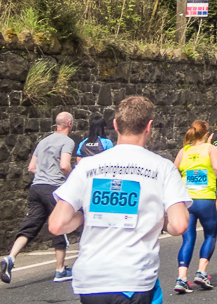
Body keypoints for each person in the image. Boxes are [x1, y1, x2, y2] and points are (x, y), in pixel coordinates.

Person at [48, 96, 191, 304]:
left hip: (91, 281)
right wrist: (156, 216)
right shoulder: (162, 167)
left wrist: (84, 216)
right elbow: (179, 226)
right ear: (149, 127)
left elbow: (57, 224)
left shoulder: (87, 166)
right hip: (133, 279)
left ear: (115, 125)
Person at [0, 111, 76, 285]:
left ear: (56, 124)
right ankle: (60, 270)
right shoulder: (67, 141)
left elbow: (31, 167)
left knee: (30, 226)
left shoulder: (43, 141)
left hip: (36, 188)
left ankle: (10, 257)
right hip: (53, 189)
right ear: (69, 124)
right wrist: (72, 179)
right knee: (59, 226)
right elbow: (64, 166)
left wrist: (44, 173)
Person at [173, 119, 217, 292]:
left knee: (188, 238)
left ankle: (181, 278)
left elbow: (174, 171)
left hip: (187, 200)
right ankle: (201, 272)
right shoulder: (211, 149)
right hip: (205, 199)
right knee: (211, 234)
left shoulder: (184, 150)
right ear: (206, 134)